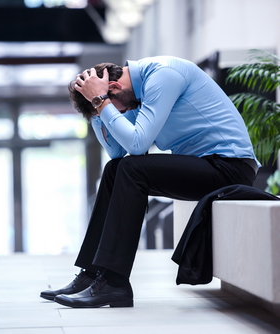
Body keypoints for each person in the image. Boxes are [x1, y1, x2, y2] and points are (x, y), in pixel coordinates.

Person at [40, 56, 260, 308]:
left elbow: (137, 145)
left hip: (230, 167)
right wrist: (98, 108)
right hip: (206, 165)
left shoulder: (162, 76)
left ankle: (114, 282)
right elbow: (116, 152)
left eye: (114, 107)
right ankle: (92, 275)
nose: (118, 113)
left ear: (113, 88)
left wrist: (101, 103)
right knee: (115, 169)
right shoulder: (134, 92)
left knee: (133, 169)